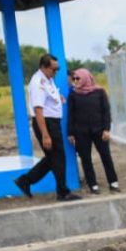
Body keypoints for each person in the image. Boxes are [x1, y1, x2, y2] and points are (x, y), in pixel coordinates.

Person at [14, 54, 80, 201]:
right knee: (58, 157)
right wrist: (45, 134)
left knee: (53, 158)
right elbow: (38, 109)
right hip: (46, 123)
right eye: (54, 69)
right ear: (43, 67)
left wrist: (59, 98)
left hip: (52, 122)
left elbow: (49, 99)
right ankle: (62, 192)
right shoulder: (38, 82)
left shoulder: (48, 79)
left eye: (58, 69)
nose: (56, 72)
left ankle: (25, 181)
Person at [65, 68, 119, 194]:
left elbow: (106, 111)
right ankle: (93, 185)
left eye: (78, 78)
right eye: (74, 78)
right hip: (81, 132)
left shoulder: (99, 92)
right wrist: (70, 133)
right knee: (86, 159)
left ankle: (113, 182)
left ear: (85, 78)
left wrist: (107, 129)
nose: (75, 81)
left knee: (106, 156)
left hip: (99, 130)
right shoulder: (73, 94)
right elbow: (71, 115)